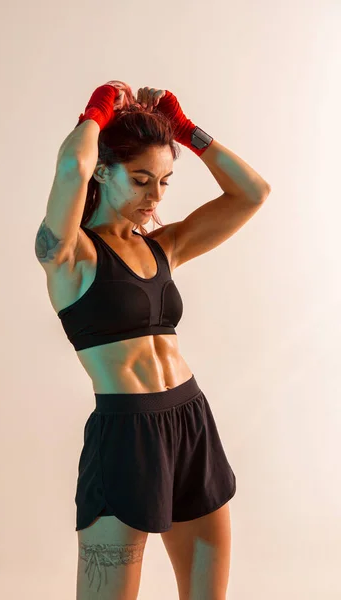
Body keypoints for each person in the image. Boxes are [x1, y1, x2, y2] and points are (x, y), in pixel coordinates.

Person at [35, 81, 271, 599]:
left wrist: (188, 132)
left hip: (192, 422)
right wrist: (94, 115)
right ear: (103, 169)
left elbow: (252, 193)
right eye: (141, 179)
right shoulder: (69, 255)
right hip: (127, 435)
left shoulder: (164, 247)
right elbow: (70, 168)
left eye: (164, 181)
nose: (155, 195)